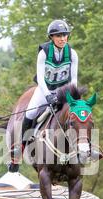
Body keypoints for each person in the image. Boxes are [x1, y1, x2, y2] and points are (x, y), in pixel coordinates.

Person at [9, 19, 78, 172]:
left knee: (80, 114)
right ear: (52, 38)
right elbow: (40, 78)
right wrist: (47, 95)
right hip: (44, 89)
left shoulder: (72, 53)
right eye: (59, 35)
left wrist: (70, 95)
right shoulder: (44, 53)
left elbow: (74, 79)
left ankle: (86, 148)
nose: (62, 38)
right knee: (31, 112)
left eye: (65, 35)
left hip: (63, 91)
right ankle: (19, 149)